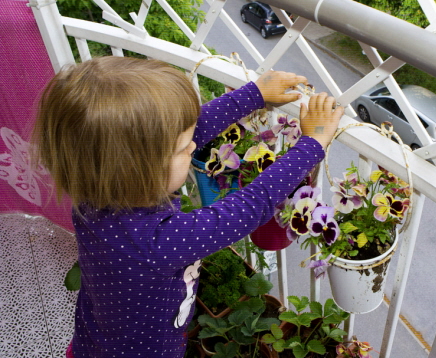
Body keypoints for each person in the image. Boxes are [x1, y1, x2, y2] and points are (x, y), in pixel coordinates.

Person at [31, 56, 344, 358]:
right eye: (183, 149)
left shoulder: (93, 191)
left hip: (96, 337)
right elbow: (252, 204)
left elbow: (184, 131)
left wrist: (255, 94)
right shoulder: (158, 240)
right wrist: (312, 144)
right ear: (140, 171)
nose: (195, 144)